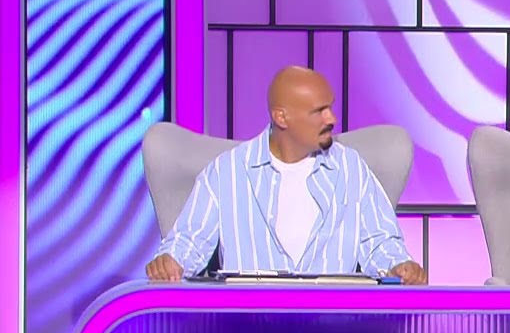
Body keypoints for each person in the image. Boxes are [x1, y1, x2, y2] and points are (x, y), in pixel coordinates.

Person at [145, 66, 426, 284]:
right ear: (281, 117)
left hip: (335, 329)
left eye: (330, 107)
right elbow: (189, 242)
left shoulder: (351, 168)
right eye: (319, 111)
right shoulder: (226, 172)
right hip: (247, 329)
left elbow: (379, 242)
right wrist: (169, 262)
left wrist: (399, 266)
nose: (332, 119)